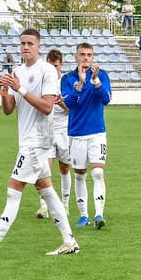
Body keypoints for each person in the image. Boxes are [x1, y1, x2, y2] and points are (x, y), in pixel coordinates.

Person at [0, 29, 79, 259]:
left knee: (14, 188)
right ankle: (69, 241)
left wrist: (19, 87)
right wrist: (3, 91)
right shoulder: (18, 71)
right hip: (26, 139)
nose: (25, 47)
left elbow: (48, 107)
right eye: (22, 43)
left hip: (37, 140)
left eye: (30, 43)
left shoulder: (47, 71)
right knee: (46, 190)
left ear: (39, 46)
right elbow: (9, 110)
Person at [61, 42, 112, 229]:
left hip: (97, 132)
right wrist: (81, 83)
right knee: (80, 175)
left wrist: (96, 82)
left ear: (93, 57)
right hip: (76, 133)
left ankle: (99, 214)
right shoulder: (67, 79)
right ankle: (84, 215)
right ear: (75, 57)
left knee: (98, 172)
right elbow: (70, 103)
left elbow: (106, 99)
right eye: (82, 54)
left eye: (89, 55)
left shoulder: (102, 75)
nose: (86, 58)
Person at [36, 48, 73, 219]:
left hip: (64, 130)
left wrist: (61, 103)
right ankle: (44, 206)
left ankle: (65, 204)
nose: (53, 68)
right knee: (44, 169)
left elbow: (72, 110)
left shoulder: (66, 82)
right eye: (50, 65)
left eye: (56, 66)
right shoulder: (42, 81)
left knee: (65, 167)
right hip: (46, 130)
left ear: (61, 65)